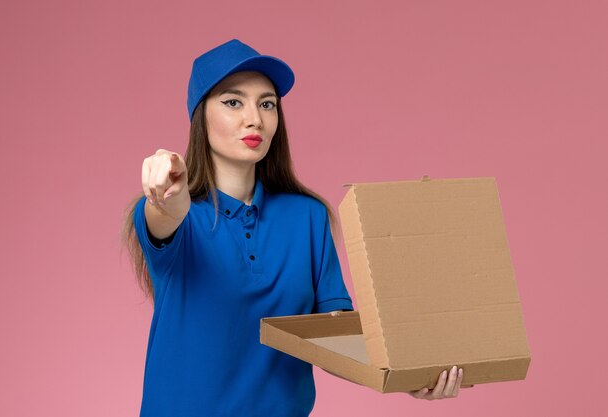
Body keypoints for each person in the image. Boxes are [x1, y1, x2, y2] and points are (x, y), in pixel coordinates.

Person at [123, 39, 464, 417]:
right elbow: (165, 214)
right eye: (233, 102)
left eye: (267, 104)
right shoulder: (178, 216)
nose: (254, 118)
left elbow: (337, 336)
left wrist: (409, 376)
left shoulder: (308, 217)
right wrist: (166, 192)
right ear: (200, 115)